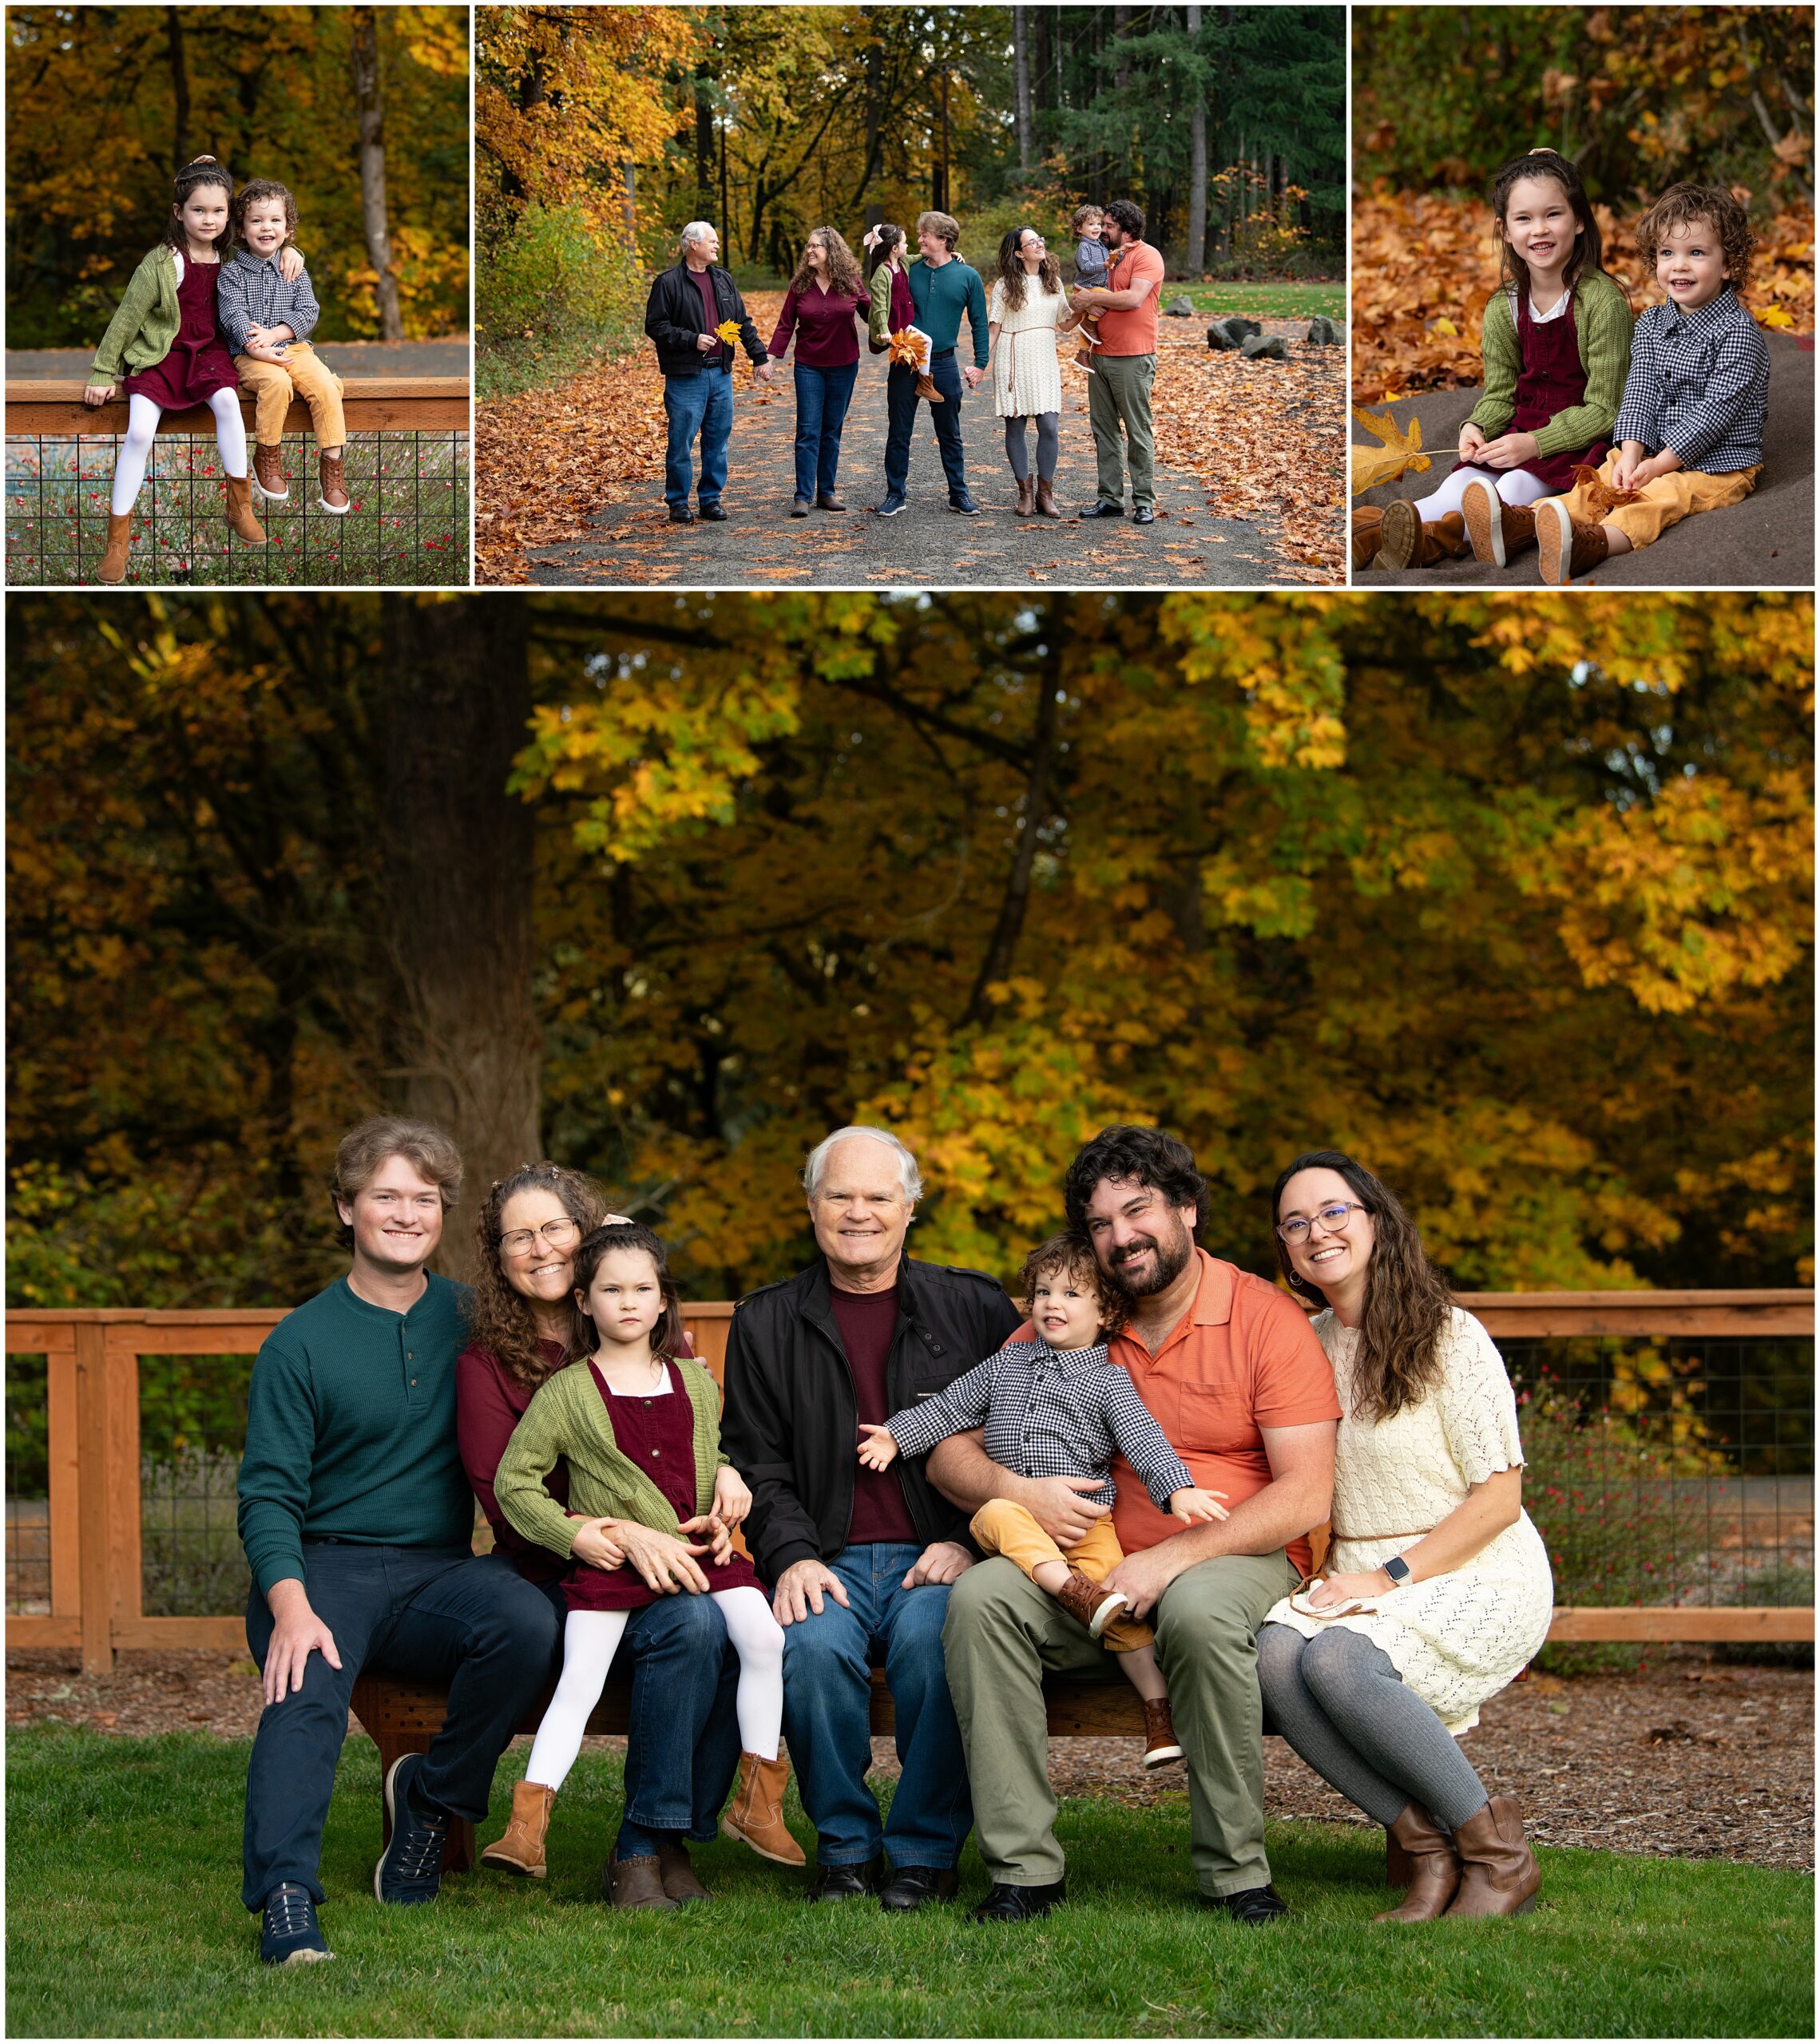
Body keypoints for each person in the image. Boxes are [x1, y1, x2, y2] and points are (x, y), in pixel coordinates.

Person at [934, 1126, 1339, 1923]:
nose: (1119, 1237)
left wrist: (1174, 1556)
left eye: (1137, 1209)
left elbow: (1304, 1496)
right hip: (1091, 1565)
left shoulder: (1262, 1318)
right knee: (982, 1602)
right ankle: (1023, 1870)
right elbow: (948, 1446)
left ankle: (1236, 1875)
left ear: (1187, 1209)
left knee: (1193, 1607)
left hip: (1232, 1550)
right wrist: (1019, 1488)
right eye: (1098, 1223)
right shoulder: (1072, 1315)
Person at [236, 1119, 561, 1966]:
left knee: (527, 1622)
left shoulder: (476, 1318)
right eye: (385, 1196)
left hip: (437, 1571)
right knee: (301, 1686)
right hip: (322, 1567)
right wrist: (289, 1605)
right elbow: (267, 1494)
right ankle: (285, 1899)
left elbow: (584, 1378)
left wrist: (684, 1378)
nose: (406, 1213)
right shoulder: (299, 1341)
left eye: (424, 1198)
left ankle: (430, 1799)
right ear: (346, 1208)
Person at [719, 1125, 1024, 1910]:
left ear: (909, 1207)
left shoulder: (976, 1307)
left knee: (935, 1645)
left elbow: (1029, 1435)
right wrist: (788, 1554)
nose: (858, 1212)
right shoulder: (766, 1321)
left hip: (942, 1552)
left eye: (877, 1196)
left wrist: (967, 1541)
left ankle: (923, 1853)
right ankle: (846, 1852)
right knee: (813, 1648)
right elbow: (755, 1459)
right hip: (826, 1553)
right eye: (839, 1195)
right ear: (811, 1205)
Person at [1257, 1151, 1553, 1920]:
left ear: (1376, 1220)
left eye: (1332, 1211)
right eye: (1295, 1223)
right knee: (1272, 1658)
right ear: (1286, 1250)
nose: (1315, 1232)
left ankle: (1497, 1857)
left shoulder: (1449, 1336)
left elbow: (1497, 1499)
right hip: (1354, 1566)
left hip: (1476, 1564)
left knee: (1342, 1663)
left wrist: (1385, 1578)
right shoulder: (1302, 1342)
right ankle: (1423, 1849)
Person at [454, 1163, 752, 1898]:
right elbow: (509, 1503)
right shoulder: (487, 1365)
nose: (540, 1247)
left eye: (556, 1228)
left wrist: (729, 1476)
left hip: (665, 1560)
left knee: (723, 1625)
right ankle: (645, 1846)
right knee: (693, 1626)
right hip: (556, 1573)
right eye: (517, 1236)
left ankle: (661, 1836)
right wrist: (625, 1534)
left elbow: (698, 1445)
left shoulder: (654, 1342)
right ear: (497, 1258)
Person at [490, 1222, 801, 1907]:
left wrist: (728, 1487)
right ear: (583, 1302)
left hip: (696, 1554)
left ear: (664, 1302)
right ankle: (526, 1827)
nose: (628, 1302)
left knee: (765, 1637)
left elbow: (705, 1454)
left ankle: (758, 1801)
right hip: (611, 1570)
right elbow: (515, 1483)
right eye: (611, 1290)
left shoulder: (694, 1378)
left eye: (643, 1289)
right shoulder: (568, 1392)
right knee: (579, 1681)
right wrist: (575, 1538)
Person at [857, 1230, 1228, 1770]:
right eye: (1043, 1293)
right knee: (996, 1513)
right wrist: (896, 1435)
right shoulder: (1004, 1365)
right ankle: (1068, 1590)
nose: (1052, 1304)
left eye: (1072, 1295)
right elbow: (948, 1409)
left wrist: (1177, 1487)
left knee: (1117, 1605)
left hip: (1085, 1526)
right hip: (1018, 1524)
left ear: (1105, 1313)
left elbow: (1144, 1440)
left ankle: (1157, 1711)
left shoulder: (1108, 1382)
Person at [1362, 149, 1632, 573]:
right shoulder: (1503, 305)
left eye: (1553, 215)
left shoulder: (1601, 302)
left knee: (1514, 485)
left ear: (1579, 220)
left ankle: (1429, 544)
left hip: (1575, 442)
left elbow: (1606, 408)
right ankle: (1371, 536)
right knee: (1459, 483)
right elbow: (1501, 393)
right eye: (1523, 219)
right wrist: (1478, 426)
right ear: (1505, 231)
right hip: (1516, 428)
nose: (1539, 230)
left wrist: (1535, 443)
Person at [1533, 181, 1770, 585]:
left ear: (1728, 264)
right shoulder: (1652, 324)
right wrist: (1631, 452)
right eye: (1667, 253)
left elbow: (1711, 417)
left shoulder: (1737, 334)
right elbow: (1640, 391)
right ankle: (1527, 523)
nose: (1679, 266)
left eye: (1696, 253)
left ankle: (1596, 543)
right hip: (1654, 451)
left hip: (1719, 464)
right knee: (1601, 477)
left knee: (1662, 497)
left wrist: (1659, 466)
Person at [81, 156, 284, 582]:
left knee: (228, 403)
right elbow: (126, 319)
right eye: (198, 210)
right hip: (161, 355)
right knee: (139, 431)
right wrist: (103, 372)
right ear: (178, 212)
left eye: (218, 210)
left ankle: (240, 505)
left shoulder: (232, 255)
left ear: (231, 214)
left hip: (208, 353)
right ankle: (117, 542)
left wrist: (294, 252)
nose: (209, 219)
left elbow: (270, 235)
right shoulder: (161, 262)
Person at [216, 179, 349, 513]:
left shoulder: (293, 267)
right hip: (250, 354)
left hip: (295, 349)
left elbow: (308, 310)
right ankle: (267, 457)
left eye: (275, 220)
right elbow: (232, 312)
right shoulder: (231, 273)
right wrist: (256, 344)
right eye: (257, 221)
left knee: (326, 387)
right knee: (276, 384)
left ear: (288, 229)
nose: (267, 227)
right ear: (242, 229)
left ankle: (332, 472)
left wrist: (276, 335)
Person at [642, 221, 774, 525]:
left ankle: (710, 500)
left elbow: (742, 322)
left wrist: (759, 357)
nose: (717, 246)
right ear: (692, 244)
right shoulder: (668, 283)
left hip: (721, 375)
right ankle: (678, 502)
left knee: (717, 441)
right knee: (681, 442)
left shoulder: (723, 279)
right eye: (712, 241)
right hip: (687, 376)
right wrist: (691, 339)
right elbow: (656, 326)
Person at [876, 212, 989, 520]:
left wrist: (981, 363)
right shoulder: (908, 271)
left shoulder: (968, 276)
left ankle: (958, 493)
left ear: (943, 240)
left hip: (944, 364)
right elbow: (880, 287)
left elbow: (979, 323)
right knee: (899, 430)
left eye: (925, 234)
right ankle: (894, 494)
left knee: (950, 432)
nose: (919, 239)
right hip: (905, 361)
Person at [1070, 200, 1167, 525]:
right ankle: (1110, 498)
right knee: (1104, 430)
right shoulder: (1107, 258)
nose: (1103, 230)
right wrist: (1081, 299)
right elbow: (1086, 291)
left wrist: (1092, 297)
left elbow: (1133, 298)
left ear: (1126, 229)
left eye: (1109, 225)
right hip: (1100, 355)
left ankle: (1144, 501)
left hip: (1133, 356)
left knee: (1138, 430)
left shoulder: (1147, 256)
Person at [768, 228, 870, 517]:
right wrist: (771, 356)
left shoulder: (850, 283)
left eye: (816, 246)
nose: (809, 251)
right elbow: (785, 323)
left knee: (831, 430)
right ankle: (802, 496)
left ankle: (826, 492)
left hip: (844, 365)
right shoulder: (800, 284)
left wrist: (891, 334)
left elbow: (873, 314)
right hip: (809, 366)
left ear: (832, 250)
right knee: (808, 431)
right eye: (808, 246)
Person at [987, 227, 1080, 518]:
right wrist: (980, 364)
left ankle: (1045, 494)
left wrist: (1085, 308)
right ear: (1019, 252)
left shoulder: (1053, 281)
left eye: (1041, 239)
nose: (1040, 244)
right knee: (1016, 426)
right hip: (1012, 357)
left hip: (1044, 358)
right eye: (1032, 242)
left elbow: (1065, 323)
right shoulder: (1005, 285)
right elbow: (994, 328)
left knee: (1049, 426)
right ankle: (1025, 494)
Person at [863, 223, 944, 404]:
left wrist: (949, 255)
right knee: (927, 341)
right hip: (893, 325)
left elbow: (920, 256)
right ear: (894, 248)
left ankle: (920, 380)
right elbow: (879, 307)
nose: (908, 246)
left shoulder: (903, 263)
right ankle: (925, 384)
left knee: (914, 350)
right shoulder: (882, 274)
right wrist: (884, 330)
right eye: (904, 243)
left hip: (903, 320)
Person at [1068, 204, 1111, 370]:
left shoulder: (1100, 245)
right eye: (1091, 224)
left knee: (1087, 328)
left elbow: (1110, 260)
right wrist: (1104, 265)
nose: (1097, 227)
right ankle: (1089, 324)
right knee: (1110, 297)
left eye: (1099, 224)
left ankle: (1083, 353)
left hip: (1096, 287)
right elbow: (1086, 266)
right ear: (1079, 228)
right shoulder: (1084, 247)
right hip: (1086, 287)